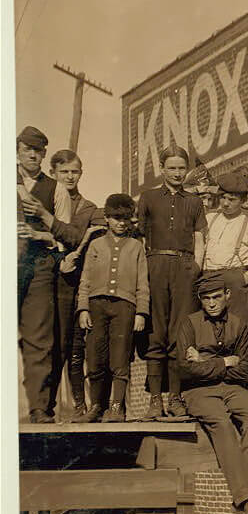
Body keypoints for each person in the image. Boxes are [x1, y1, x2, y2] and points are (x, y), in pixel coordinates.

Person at [176, 273, 248, 514]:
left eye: (217, 297)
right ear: (200, 299)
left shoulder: (239, 324)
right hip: (198, 391)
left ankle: (244, 494)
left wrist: (203, 361)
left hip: (233, 388)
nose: (212, 303)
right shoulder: (189, 324)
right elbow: (184, 370)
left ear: (227, 296)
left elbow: (244, 370)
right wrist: (224, 361)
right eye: (206, 299)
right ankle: (247, 498)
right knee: (223, 425)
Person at [135, 144, 207, 420]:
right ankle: (155, 400)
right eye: (172, 168)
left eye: (181, 168)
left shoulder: (194, 201)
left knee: (180, 334)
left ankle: (176, 398)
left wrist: (196, 266)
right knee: (156, 332)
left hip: (184, 267)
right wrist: (144, 271)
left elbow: (200, 237)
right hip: (155, 266)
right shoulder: (149, 197)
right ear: (162, 169)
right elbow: (139, 238)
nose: (177, 173)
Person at [75, 194, 150, 423]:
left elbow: (142, 283)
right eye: (116, 218)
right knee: (96, 357)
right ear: (106, 218)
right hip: (97, 306)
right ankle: (97, 406)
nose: (121, 223)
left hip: (124, 308)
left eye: (125, 218)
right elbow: (85, 279)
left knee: (120, 358)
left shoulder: (136, 247)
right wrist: (83, 308)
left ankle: (116, 407)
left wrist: (141, 312)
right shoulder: (96, 245)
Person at [16, 126, 72, 423]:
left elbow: (64, 237)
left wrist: (39, 234)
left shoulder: (56, 189)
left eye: (39, 151)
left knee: (39, 337)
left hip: (38, 266)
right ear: (18, 150)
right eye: (28, 149)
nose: (33, 155)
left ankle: (39, 407)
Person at [47, 149, 98, 421]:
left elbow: (90, 239)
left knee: (76, 345)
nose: (69, 176)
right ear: (53, 173)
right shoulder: (45, 203)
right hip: (50, 283)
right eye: (64, 171)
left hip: (77, 283)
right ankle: (45, 409)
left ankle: (79, 406)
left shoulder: (87, 207)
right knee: (53, 346)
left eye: (74, 171)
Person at [202, 172, 248, 326]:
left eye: (231, 199)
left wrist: (247, 279)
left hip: (235, 281)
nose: (226, 203)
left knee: (236, 327)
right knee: (208, 329)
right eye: (223, 198)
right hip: (208, 279)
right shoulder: (209, 219)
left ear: (242, 200)